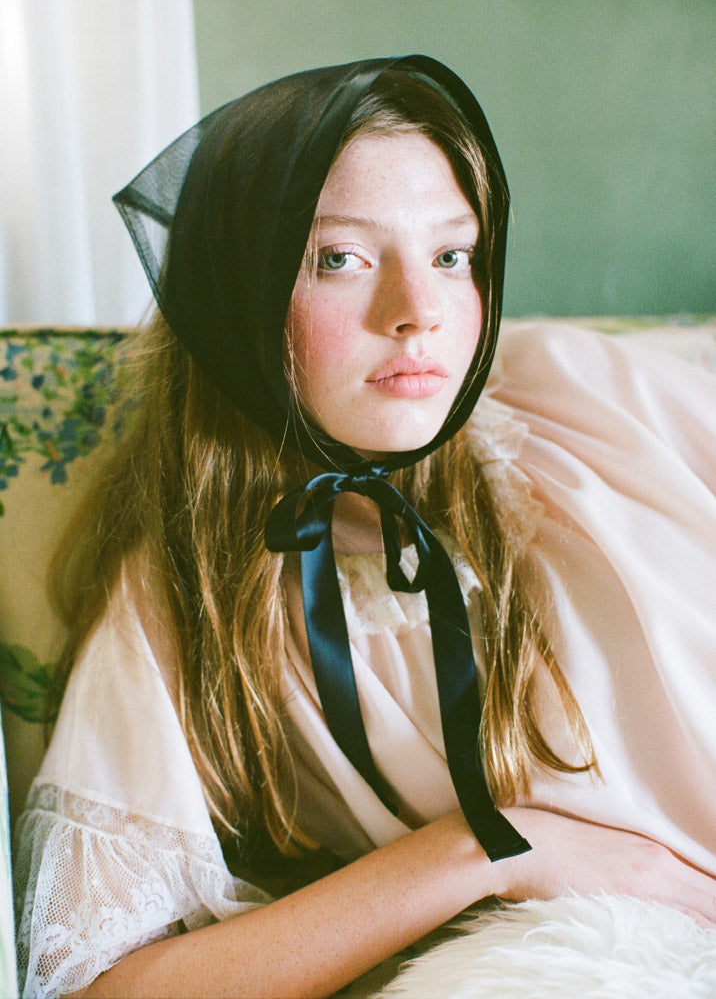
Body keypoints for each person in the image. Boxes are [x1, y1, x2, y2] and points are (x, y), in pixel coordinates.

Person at [14, 56, 716, 999]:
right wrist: (491, 849)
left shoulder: (582, 397)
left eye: (451, 256)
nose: (418, 314)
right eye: (339, 258)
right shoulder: (197, 594)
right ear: (236, 293)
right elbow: (105, 985)